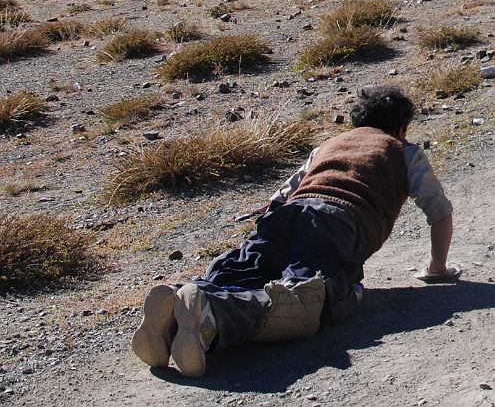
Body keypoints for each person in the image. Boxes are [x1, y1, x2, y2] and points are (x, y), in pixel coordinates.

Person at [131, 85, 456, 378]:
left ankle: (178, 302)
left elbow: (281, 196)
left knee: (244, 272)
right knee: (304, 299)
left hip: (287, 215)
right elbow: (438, 212)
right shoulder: (404, 151)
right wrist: (436, 268)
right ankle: (211, 315)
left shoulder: (330, 145)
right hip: (336, 222)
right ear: (402, 128)